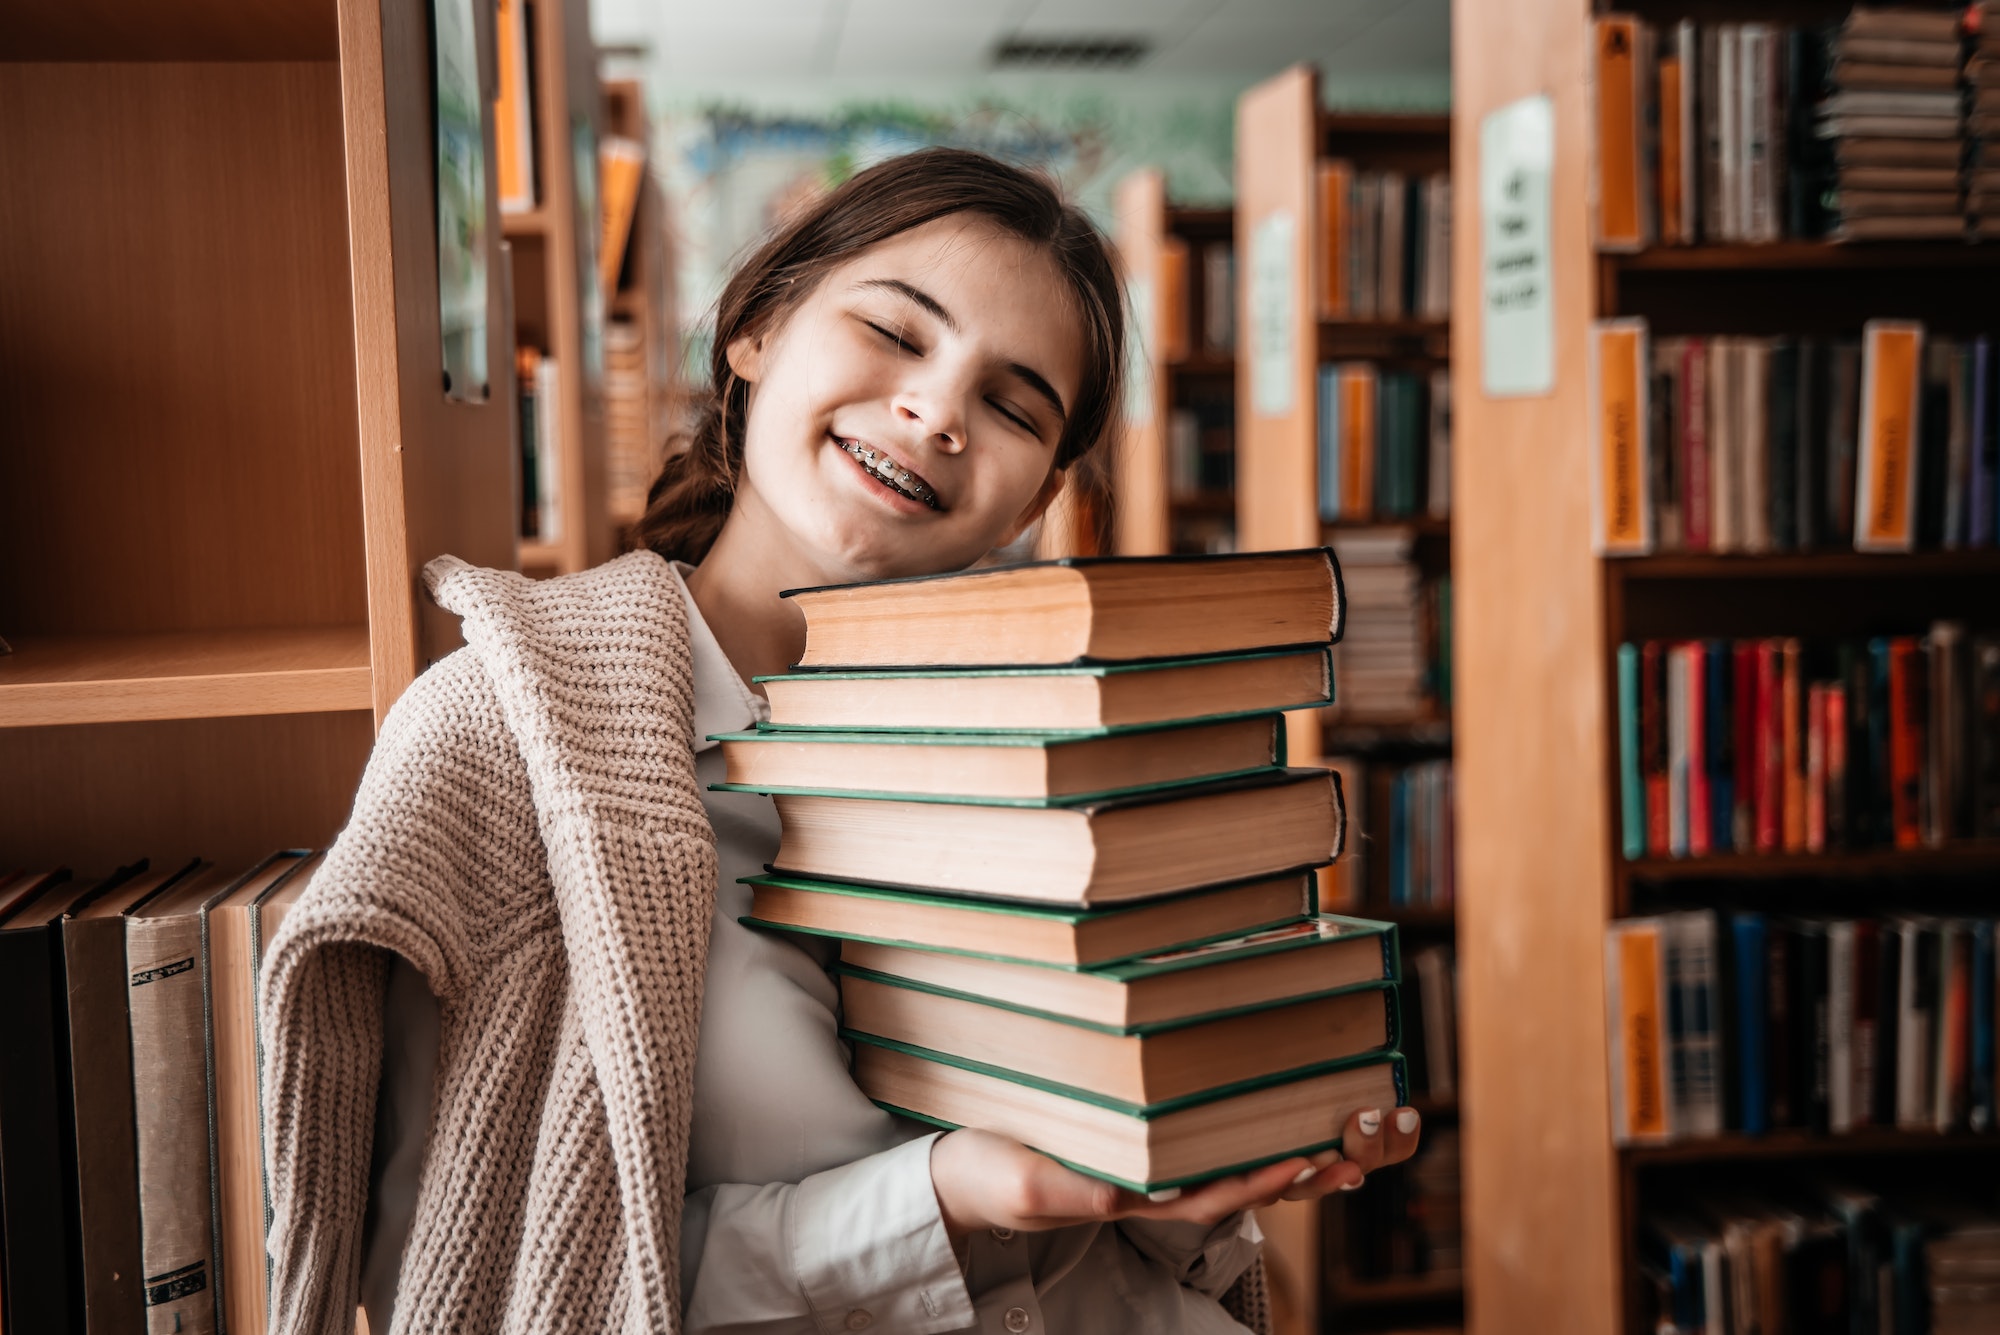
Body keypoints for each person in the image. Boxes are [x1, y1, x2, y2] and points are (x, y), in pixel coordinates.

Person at [260, 147, 1421, 1335]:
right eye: (897, 333)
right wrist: (939, 1206)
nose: (935, 414)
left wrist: (1214, 1167)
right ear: (755, 331)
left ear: (1032, 501)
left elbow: (1134, 1249)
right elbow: (489, 1288)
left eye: (1014, 406)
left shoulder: (1061, 763)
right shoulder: (501, 744)